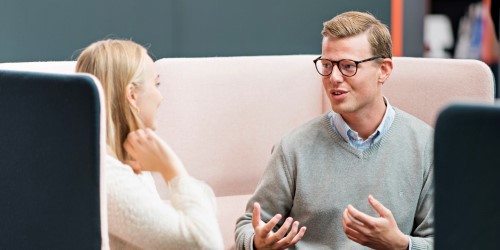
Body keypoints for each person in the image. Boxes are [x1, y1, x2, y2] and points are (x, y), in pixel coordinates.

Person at [235, 11, 434, 249]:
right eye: (327, 65)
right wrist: (257, 242)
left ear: (384, 70)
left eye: (348, 66)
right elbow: (248, 225)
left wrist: (401, 245)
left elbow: (447, 240)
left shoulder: (426, 145)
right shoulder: (293, 147)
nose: (334, 77)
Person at [76, 39, 224, 249]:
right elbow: (204, 244)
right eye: (157, 84)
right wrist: (171, 168)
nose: (160, 96)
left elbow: (203, 209)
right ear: (132, 96)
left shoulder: (125, 168)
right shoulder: (107, 176)